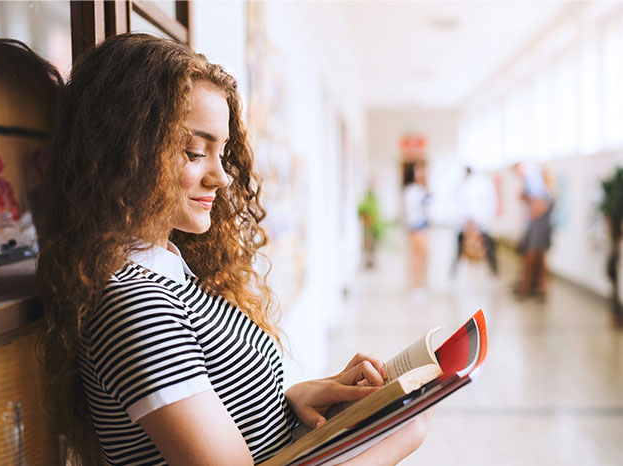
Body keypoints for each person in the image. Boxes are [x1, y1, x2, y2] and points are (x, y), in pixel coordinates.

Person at [37, 34, 432, 466]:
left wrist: (291, 398)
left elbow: (211, 398)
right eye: (194, 151)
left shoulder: (169, 268)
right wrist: (398, 436)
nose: (221, 177)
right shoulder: (137, 303)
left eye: (221, 153)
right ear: (123, 150)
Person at [513, 162, 554, 298]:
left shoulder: (542, 189)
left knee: (534, 256)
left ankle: (531, 286)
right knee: (534, 256)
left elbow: (537, 210)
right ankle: (534, 286)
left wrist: (532, 208)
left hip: (539, 227)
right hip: (536, 226)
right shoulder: (534, 188)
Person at [453, 167, 498, 275]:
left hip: (479, 222)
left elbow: (490, 203)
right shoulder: (463, 185)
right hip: (467, 223)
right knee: (458, 249)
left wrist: (478, 221)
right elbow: (459, 204)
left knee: (489, 248)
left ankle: (494, 270)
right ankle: (453, 272)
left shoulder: (484, 184)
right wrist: (466, 221)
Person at [403, 162, 431, 292]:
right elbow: (411, 209)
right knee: (417, 255)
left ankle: (420, 284)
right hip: (415, 226)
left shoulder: (423, 189)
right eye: (418, 172)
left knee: (423, 256)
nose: (421, 174)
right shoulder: (411, 191)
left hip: (423, 225)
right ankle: (414, 286)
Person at [358, 182, 382, 268]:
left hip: (375, 226)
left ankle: (371, 263)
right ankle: (367, 263)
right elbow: (362, 210)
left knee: (373, 246)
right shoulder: (367, 199)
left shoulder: (375, 198)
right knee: (367, 245)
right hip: (369, 226)